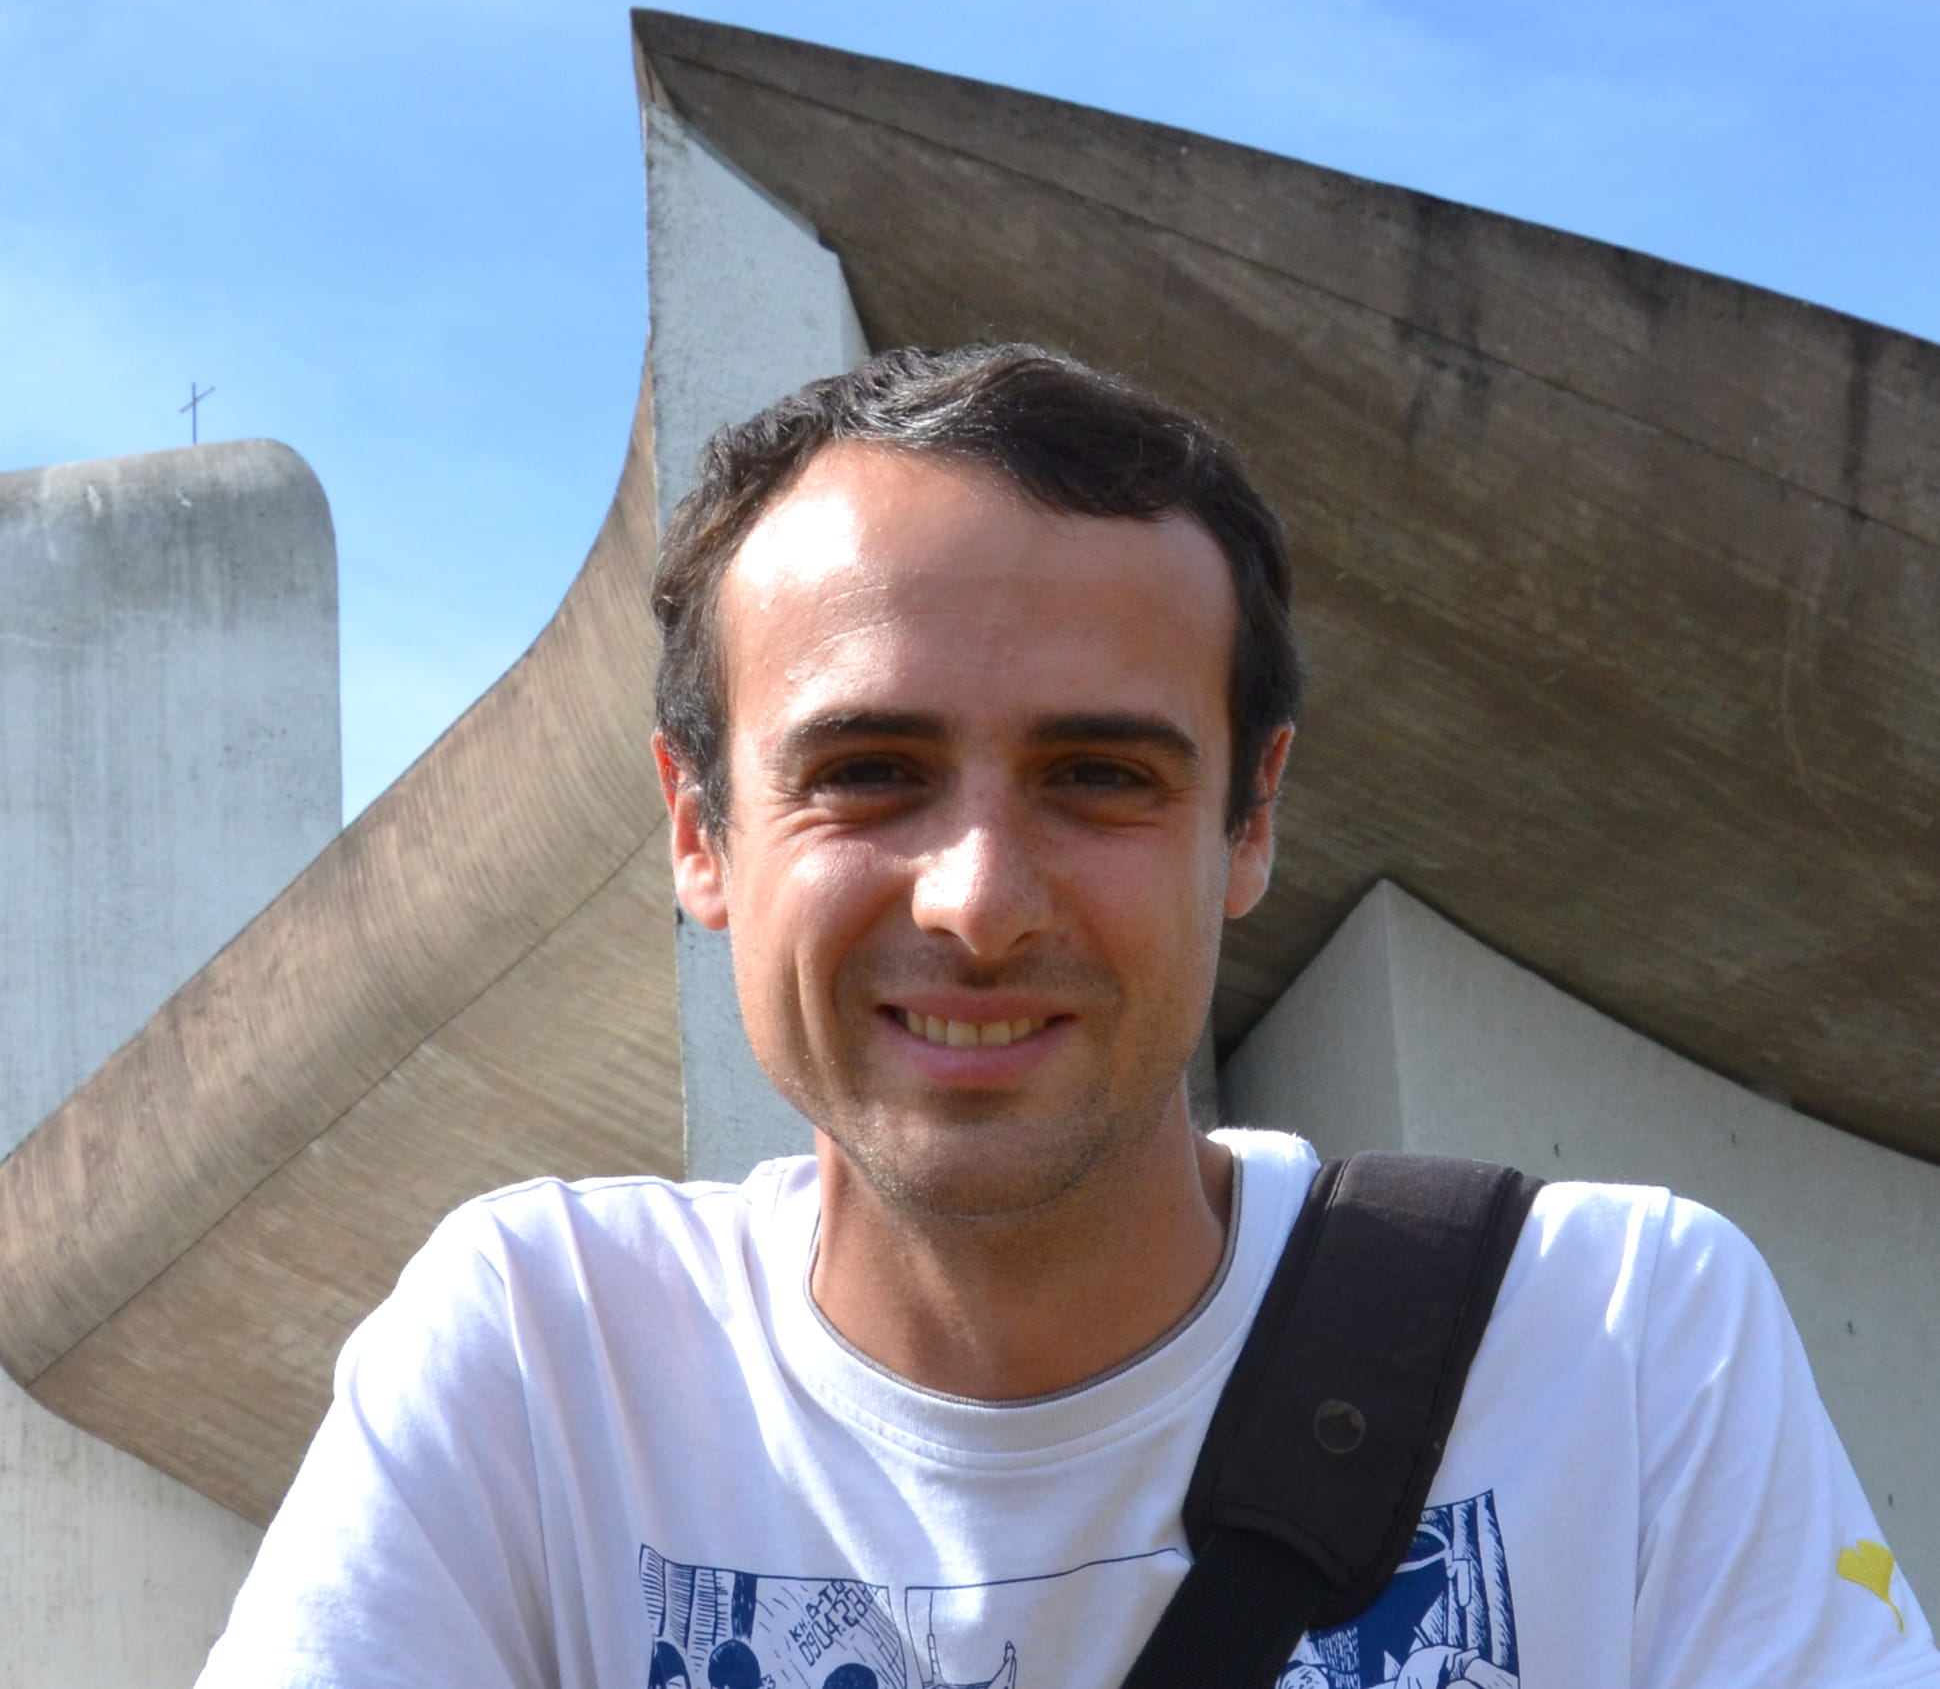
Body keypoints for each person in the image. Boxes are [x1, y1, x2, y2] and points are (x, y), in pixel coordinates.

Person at [198, 345, 1938, 1689]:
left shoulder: (1621, 1342)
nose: (979, 900)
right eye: (868, 772)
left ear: (1249, 823)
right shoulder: (541, 1356)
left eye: (1100, 776)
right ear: (698, 829)